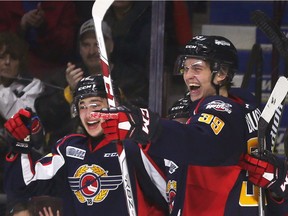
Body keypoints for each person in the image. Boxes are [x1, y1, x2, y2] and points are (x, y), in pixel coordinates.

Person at [97, 35, 286, 215]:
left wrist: (144, 125)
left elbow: (201, 142)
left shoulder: (220, 107)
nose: (187, 76)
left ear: (221, 73)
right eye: (185, 68)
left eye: (196, 68)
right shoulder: (247, 108)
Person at [4, 75, 168, 216]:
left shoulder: (134, 146)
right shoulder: (68, 148)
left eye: (95, 105)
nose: (89, 114)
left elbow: (168, 195)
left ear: (114, 105)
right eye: (82, 106)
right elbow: (23, 187)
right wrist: (22, 146)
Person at [0, 1, 79, 80]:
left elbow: (66, 47)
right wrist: (21, 26)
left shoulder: (63, 4)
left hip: (52, 71)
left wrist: (44, 27)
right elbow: (3, 40)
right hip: (12, 68)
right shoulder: (5, 4)